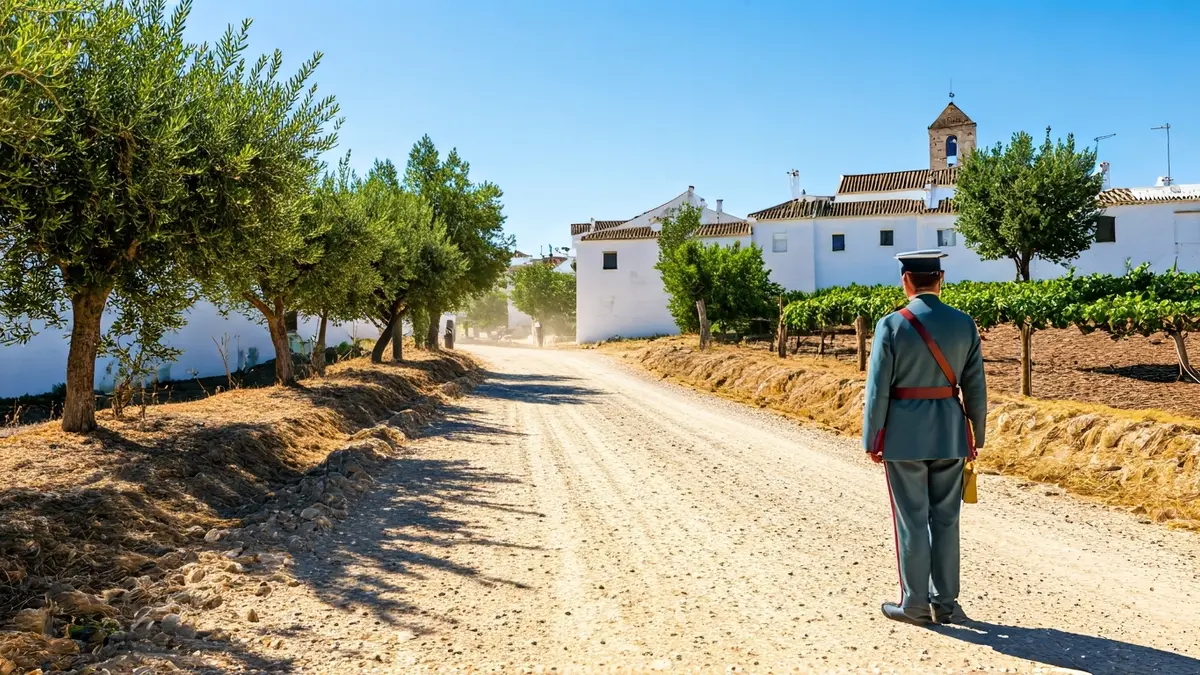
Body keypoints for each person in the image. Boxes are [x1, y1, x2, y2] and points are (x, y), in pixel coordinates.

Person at [863, 249, 987, 626]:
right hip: (951, 434)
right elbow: (976, 387)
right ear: (941, 278)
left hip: (903, 437)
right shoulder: (964, 324)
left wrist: (873, 439)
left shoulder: (891, 325)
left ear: (906, 281)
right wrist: (977, 435)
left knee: (912, 520)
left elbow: (877, 390)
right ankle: (946, 604)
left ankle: (914, 603)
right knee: (947, 520)